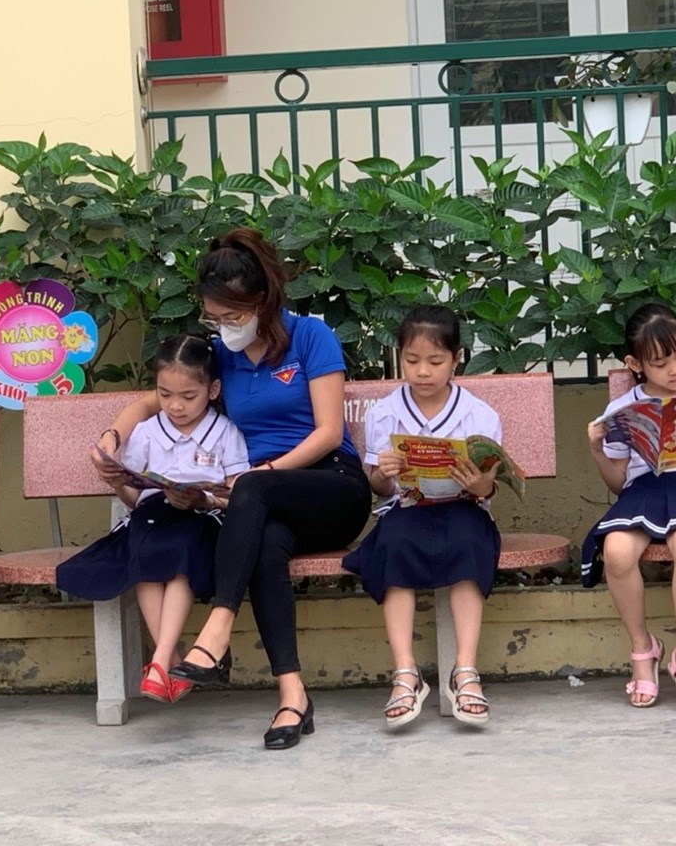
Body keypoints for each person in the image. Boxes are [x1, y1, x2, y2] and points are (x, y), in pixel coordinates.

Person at [92, 228, 372, 750]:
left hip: (331, 487)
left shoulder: (312, 338)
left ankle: (217, 631)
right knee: (264, 545)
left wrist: (262, 475)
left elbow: (329, 432)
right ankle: (293, 696)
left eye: (231, 315)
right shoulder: (224, 354)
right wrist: (113, 438)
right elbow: (153, 401)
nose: (223, 327)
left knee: (253, 492)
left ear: (263, 300)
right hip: (262, 503)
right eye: (214, 318)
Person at [58, 335, 249, 703]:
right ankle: (168, 661)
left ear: (212, 390)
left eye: (188, 396)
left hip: (201, 520)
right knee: (143, 551)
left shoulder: (226, 433)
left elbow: (236, 496)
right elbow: (134, 500)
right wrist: (118, 483)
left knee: (181, 552)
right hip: (150, 518)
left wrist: (202, 499)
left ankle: (160, 660)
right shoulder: (146, 432)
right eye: (164, 394)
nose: (175, 405)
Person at [341, 305, 501, 727]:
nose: (423, 371)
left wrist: (477, 483)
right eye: (412, 361)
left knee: (469, 546)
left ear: (456, 358)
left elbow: (488, 488)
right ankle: (406, 673)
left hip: (463, 510)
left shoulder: (479, 415)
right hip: (409, 509)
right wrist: (383, 473)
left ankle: (465, 670)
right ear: (400, 357)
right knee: (394, 547)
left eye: (435, 361)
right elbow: (380, 488)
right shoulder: (384, 413)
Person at [584, 303, 676, 714]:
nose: (675, 369)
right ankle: (643, 649)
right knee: (616, 551)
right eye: (661, 363)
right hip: (642, 491)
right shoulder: (623, 410)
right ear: (635, 364)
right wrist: (597, 450)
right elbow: (618, 483)